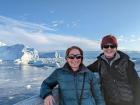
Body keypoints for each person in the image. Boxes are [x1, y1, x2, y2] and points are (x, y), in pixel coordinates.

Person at [40, 46, 105, 105]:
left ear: (81, 59)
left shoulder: (89, 74)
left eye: (78, 57)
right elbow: (45, 84)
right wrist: (47, 95)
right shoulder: (59, 73)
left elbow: (98, 96)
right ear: (67, 58)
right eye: (71, 57)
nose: (75, 59)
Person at [87, 35, 140, 105]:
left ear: (116, 48)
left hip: (128, 102)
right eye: (106, 46)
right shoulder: (99, 63)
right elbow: (85, 69)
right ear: (102, 48)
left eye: (112, 46)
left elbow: (136, 84)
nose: (109, 48)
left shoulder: (126, 63)